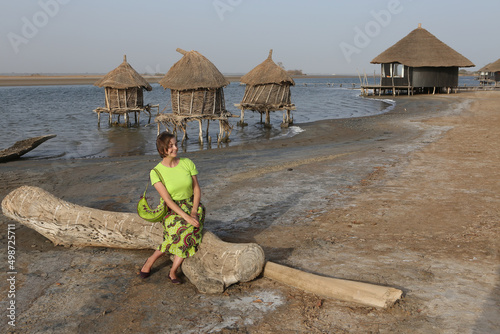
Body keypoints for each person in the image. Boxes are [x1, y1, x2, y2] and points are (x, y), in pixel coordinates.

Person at [139, 131, 205, 284]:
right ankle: (152, 260)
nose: (176, 148)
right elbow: (167, 200)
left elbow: (196, 189)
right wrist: (186, 216)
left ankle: (172, 270)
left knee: (189, 229)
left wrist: (194, 211)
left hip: (192, 205)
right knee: (181, 230)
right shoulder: (156, 172)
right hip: (172, 209)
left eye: (176, 144)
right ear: (163, 150)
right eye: (171, 146)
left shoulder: (187, 163)